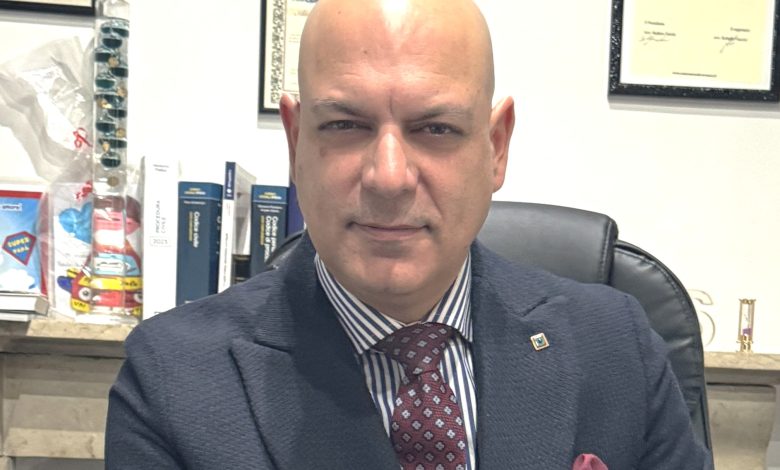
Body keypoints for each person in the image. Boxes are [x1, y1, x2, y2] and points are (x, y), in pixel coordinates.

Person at [105, 0, 714, 468]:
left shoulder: (618, 349)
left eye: (436, 129)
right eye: (345, 124)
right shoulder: (172, 379)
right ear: (296, 142)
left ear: (496, 147)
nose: (389, 177)